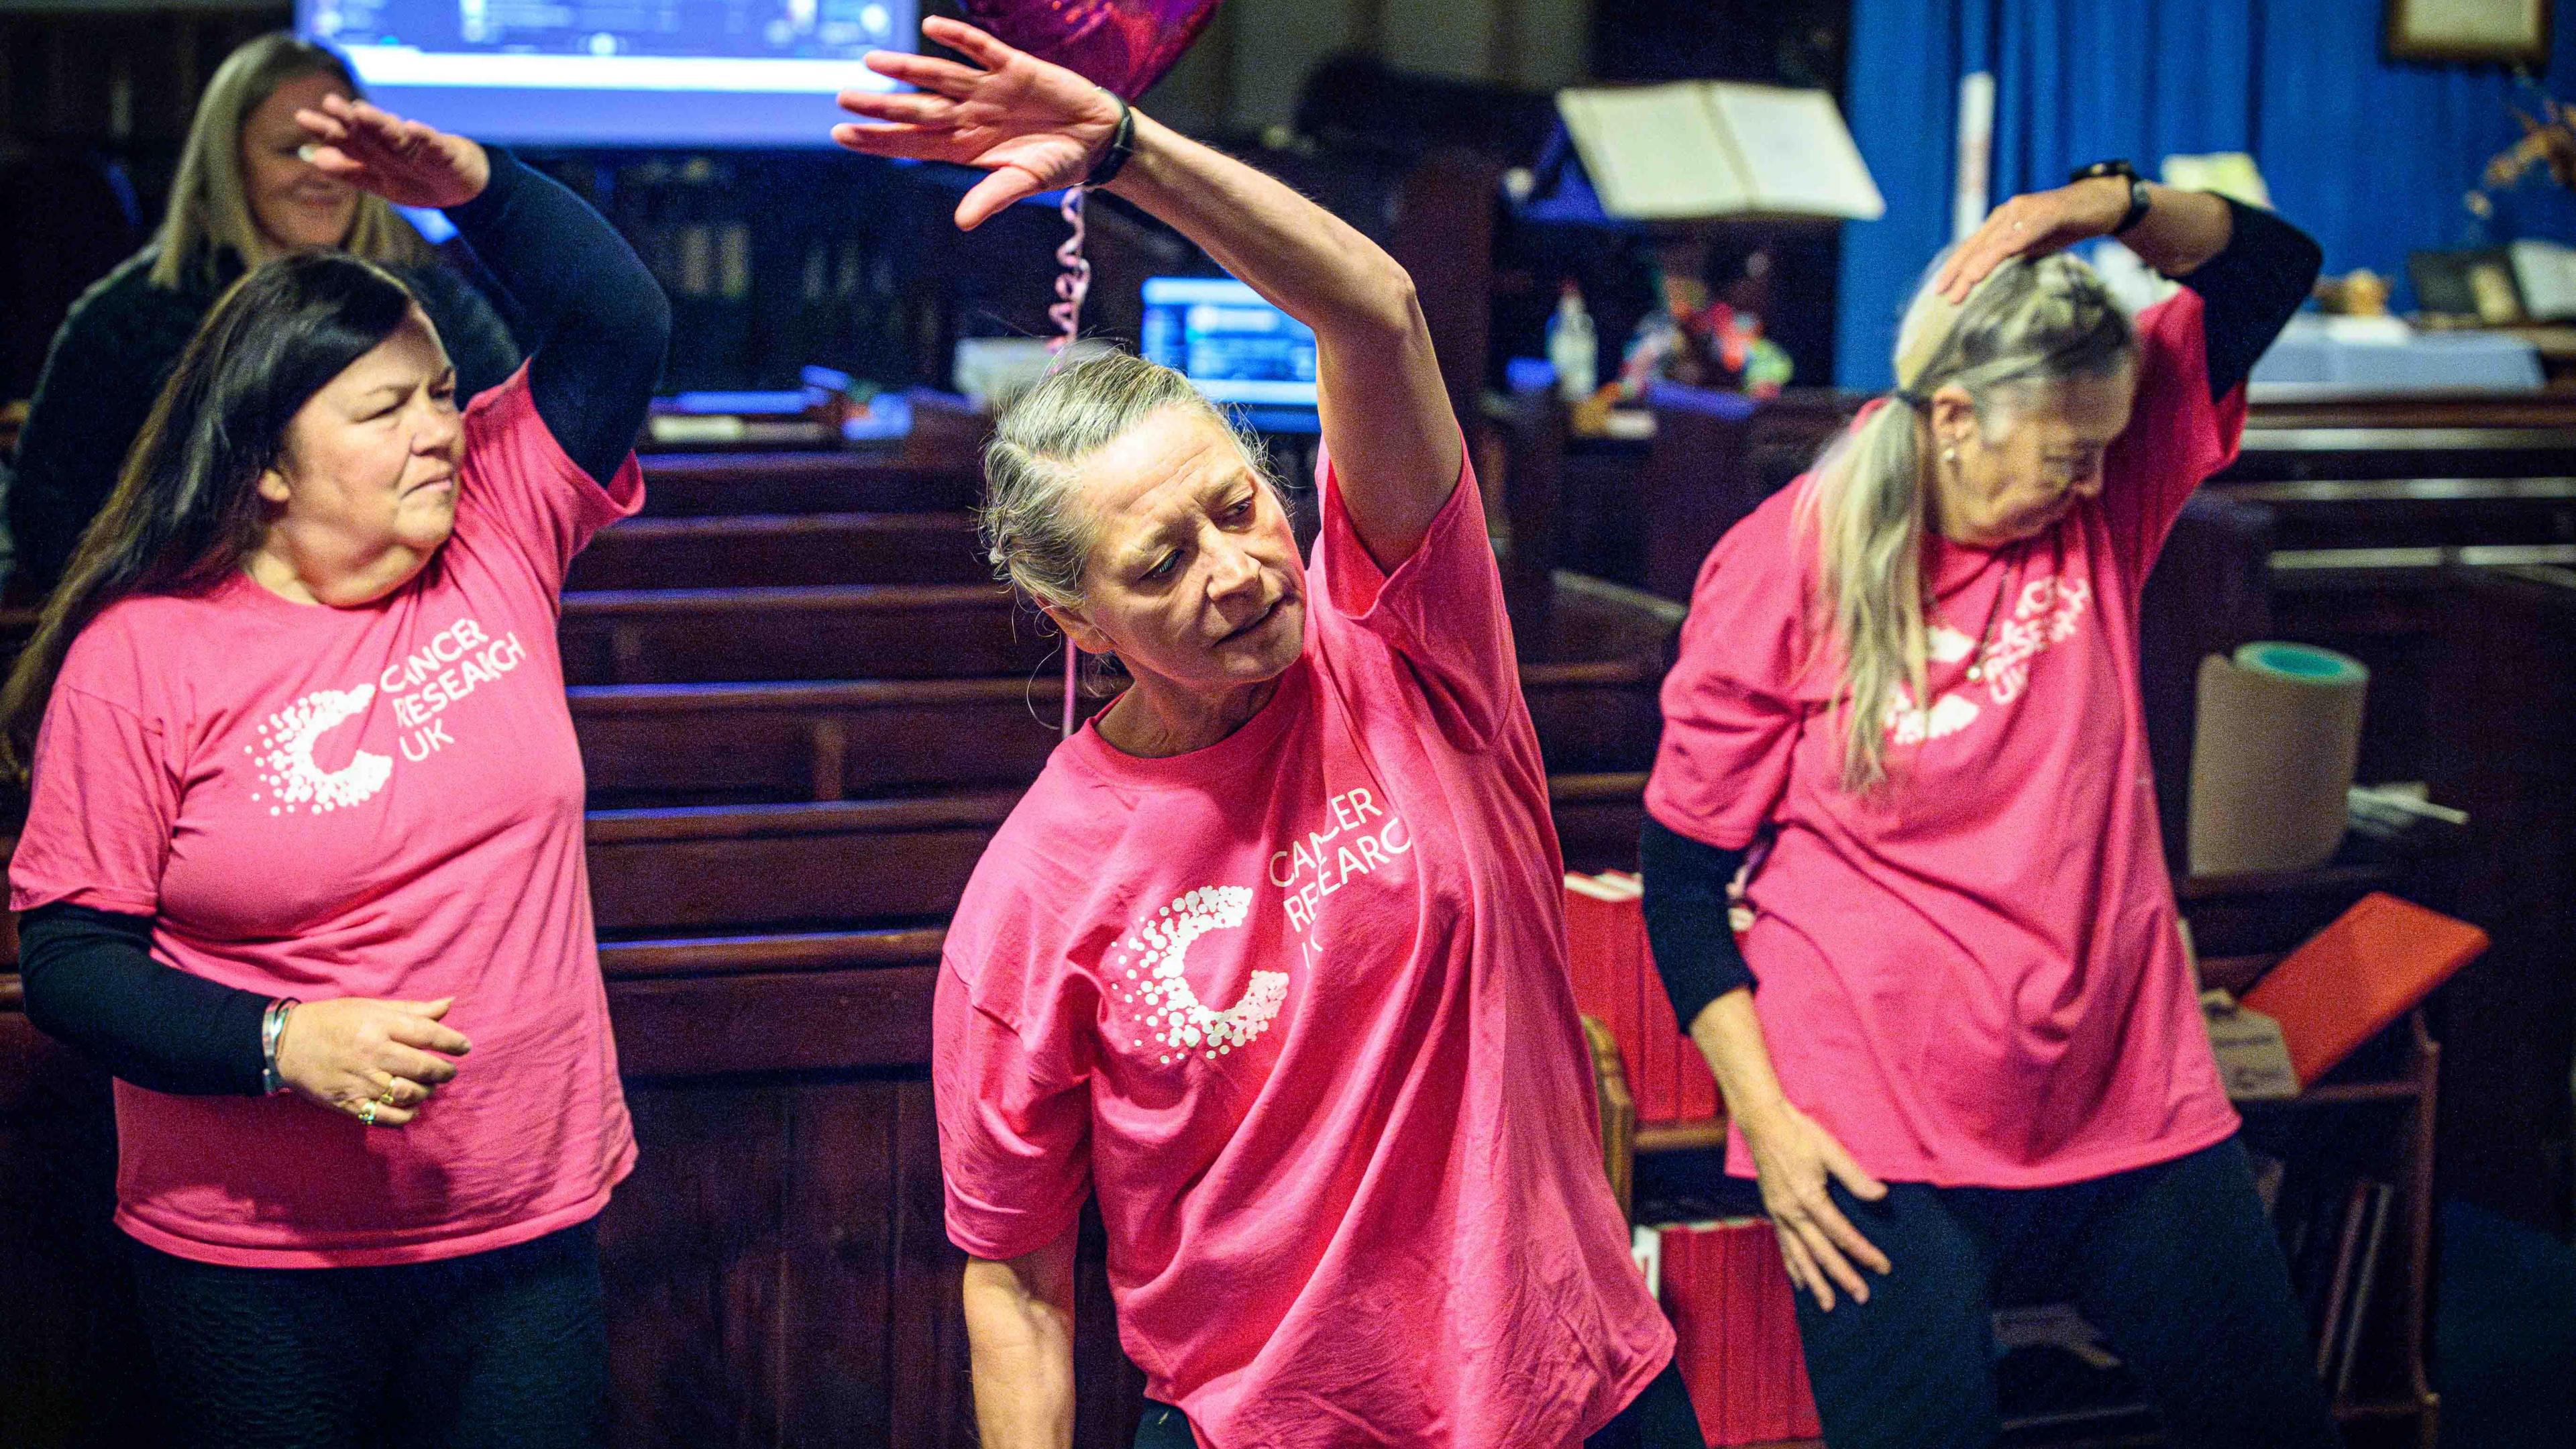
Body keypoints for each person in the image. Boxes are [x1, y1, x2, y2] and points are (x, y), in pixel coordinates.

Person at [833, 18, 1692, 1449]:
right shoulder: (1041, 889)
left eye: (1238, 507)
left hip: (1579, 1398)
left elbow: (1376, 315)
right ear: (1078, 620)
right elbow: (1019, 1279)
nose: (1234, 570)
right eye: (1159, 563)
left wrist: (1126, 147)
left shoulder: (1417, 653)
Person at [3, 88, 667, 1446]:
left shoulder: (497, 531)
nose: (439, 426)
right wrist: (281, 1041)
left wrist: (473, 185)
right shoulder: (143, 658)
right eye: (385, 410)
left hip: (517, 1225)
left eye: (440, 393)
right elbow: (71, 965)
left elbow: (620, 322)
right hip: (252, 1260)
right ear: (269, 470)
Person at [1640, 172, 2331, 1449]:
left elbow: (2268, 270)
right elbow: (1682, 888)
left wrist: (2100, 209)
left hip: (2123, 1085)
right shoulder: (1788, 561)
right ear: (1955, 417)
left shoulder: (2103, 504)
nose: (2093, 481)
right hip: (1869, 1118)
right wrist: (1775, 1133)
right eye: (2067, 455)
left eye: (2104, 452)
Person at [7, 32, 520, 597]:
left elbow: (511, 460)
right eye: (292, 149)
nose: (323, 171)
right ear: (229, 162)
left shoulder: (437, 304)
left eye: (342, 147)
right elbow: (48, 515)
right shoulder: (128, 320)